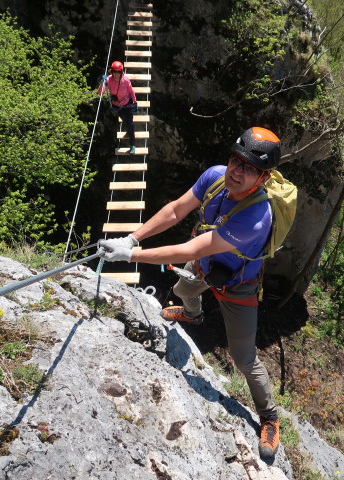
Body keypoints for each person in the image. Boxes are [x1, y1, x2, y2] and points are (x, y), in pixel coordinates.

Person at [98, 127, 282, 457]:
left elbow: (189, 249)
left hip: (238, 285)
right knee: (183, 289)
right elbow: (174, 210)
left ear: (264, 178)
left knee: (244, 358)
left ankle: (269, 416)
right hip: (206, 267)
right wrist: (132, 238)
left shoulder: (255, 217)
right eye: (235, 161)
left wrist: (131, 256)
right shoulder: (215, 177)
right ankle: (193, 315)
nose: (236, 171)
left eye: (249, 168)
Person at [98, 61, 138, 154]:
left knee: (130, 124)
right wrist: (102, 83)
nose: (116, 74)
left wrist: (135, 101)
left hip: (127, 104)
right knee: (124, 119)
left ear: (121, 72)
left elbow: (131, 91)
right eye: (114, 72)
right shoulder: (108, 80)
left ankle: (132, 144)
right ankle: (128, 129)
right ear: (111, 72)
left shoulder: (126, 80)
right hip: (117, 105)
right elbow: (100, 93)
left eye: (118, 72)